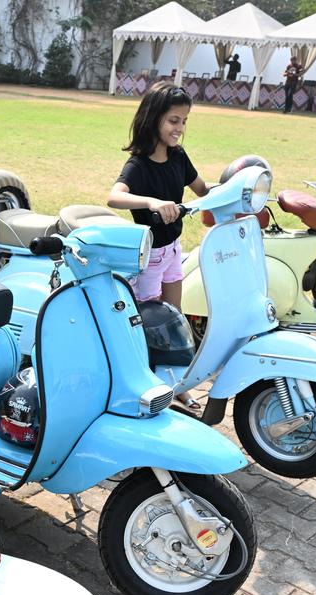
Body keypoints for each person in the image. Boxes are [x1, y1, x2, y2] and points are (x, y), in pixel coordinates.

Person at [107, 82, 209, 409]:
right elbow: (114, 196)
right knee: (149, 324)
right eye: (173, 121)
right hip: (149, 256)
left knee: (174, 319)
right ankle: (144, 383)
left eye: (184, 122)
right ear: (154, 119)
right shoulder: (138, 165)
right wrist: (151, 201)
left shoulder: (179, 157)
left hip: (174, 250)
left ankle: (177, 384)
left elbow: (203, 189)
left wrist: (236, 190)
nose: (179, 128)